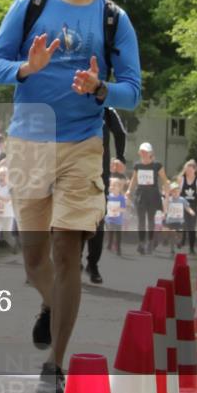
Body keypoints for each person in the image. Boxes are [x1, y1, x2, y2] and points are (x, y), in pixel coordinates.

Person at [0, 0, 142, 393]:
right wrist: (25, 68)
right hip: (29, 140)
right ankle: (51, 304)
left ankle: (55, 364)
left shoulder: (114, 19)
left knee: (66, 249)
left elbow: (132, 91)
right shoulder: (30, 4)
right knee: (34, 259)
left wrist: (100, 87)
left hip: (82, 143)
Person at [83, 106, 128, 284]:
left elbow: (120, 132)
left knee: (84, 218)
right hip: (89, 174)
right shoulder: (106, 109)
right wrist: (120, 156)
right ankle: (89, 264)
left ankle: (87, 263)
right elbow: (120, 133)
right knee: (95, 220)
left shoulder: (106, 110)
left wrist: (120, 156)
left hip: (87, 174)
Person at [128, 142, 171, 255]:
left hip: (153, 195)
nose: (143, 154)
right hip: (141, 195)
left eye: (145, 152)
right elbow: (134, 179)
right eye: (142, 151)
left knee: (151, 220)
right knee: (141, 220)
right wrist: (129, 190)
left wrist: (167, 193)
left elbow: (164, 179)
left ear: (150, 153)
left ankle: (150, 242)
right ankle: (141, 243)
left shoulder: (157, 165)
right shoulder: (137, 165)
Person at [177, 159, 197, 254]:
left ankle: (191, 248)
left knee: (192, 226)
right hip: (183, 204)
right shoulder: (181, 179)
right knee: (184, 224)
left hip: (193, 205)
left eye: (190, 169)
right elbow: (176, 192)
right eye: (186, 169)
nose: (188, 171)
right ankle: (182, 241)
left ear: (194, 169)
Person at [0, 167, 17, 260]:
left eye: (4, 175)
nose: (1, 177)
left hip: (8, 215)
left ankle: (14, 245)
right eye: (0, 175)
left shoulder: (11, 187)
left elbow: (8, 199)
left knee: (6, 235)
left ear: (8, 177)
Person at [104, 175, 127, 256]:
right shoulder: (108, 197)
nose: (113, 187)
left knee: (118, 234)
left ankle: (118, 248)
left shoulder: (121, 198)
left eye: (115, 185)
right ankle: (109, 244)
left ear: (119, 188)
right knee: (110, 232)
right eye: (111, 185)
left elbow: (124, 209)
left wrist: (118, 209)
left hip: (118, 220)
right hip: (109, 219)